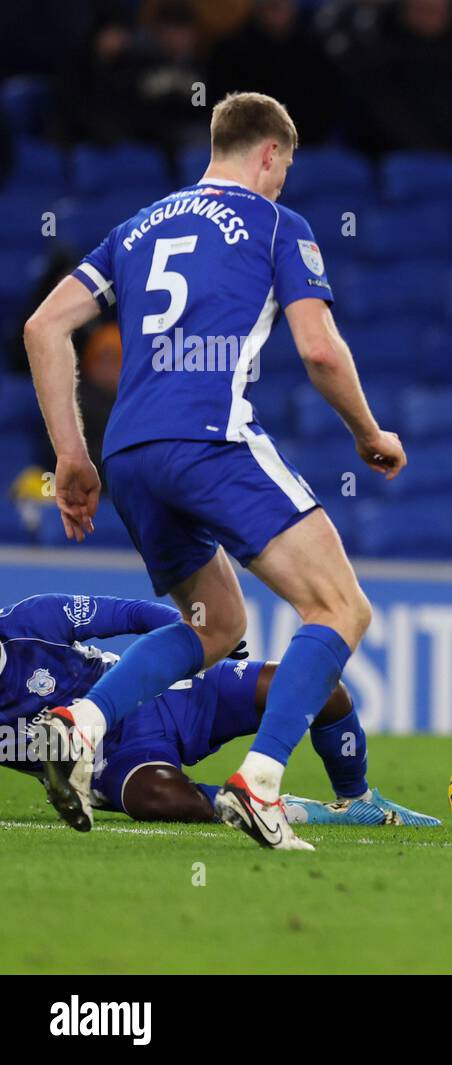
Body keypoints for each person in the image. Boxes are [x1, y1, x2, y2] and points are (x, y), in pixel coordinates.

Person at [23, 92, 406, 850]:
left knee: (215, 624)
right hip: (209, 438)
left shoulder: (138, 226)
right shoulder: (274, 225)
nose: (284, 180)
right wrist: (369, 431)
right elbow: (321, 349)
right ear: (269, 153)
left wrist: (71, 454)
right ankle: (261, 781)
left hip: (128, 452)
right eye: (286, 166)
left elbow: (44, 325)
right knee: (341, 608)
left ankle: (77, 724)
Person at [0, 593, 439, 827]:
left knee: (323, 690)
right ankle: (295, 810)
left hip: (168, 693)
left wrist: (199, 640)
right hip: (111, 765)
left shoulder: (30, 621)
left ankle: (359, 798)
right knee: (164, 799)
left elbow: (133, 613)